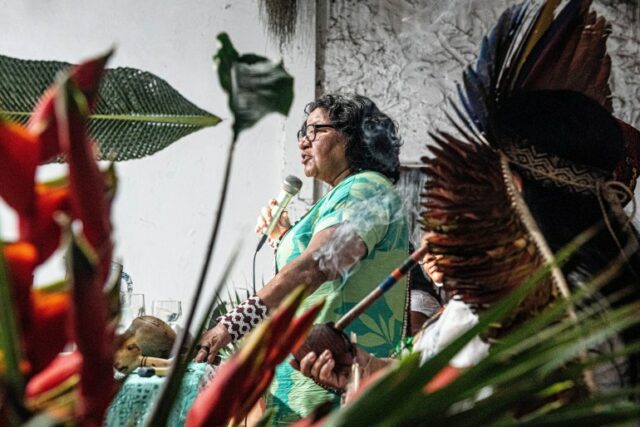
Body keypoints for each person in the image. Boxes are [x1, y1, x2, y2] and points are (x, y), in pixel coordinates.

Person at [296, 0, 640, 407]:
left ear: (511, 187)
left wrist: (363, 398)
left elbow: (446, 405)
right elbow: (443, 375)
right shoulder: (614, 284)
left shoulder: (508, 308)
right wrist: (368, 370)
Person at [195, 93, 409, 423]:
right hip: (303, 383)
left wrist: (231, 323)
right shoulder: (341, 196)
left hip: (335, 386)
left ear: (355, 137)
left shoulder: (366, 188)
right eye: (301, 133)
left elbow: (315, 266)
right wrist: (284, 237)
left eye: (315, 130)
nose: (303, 142)